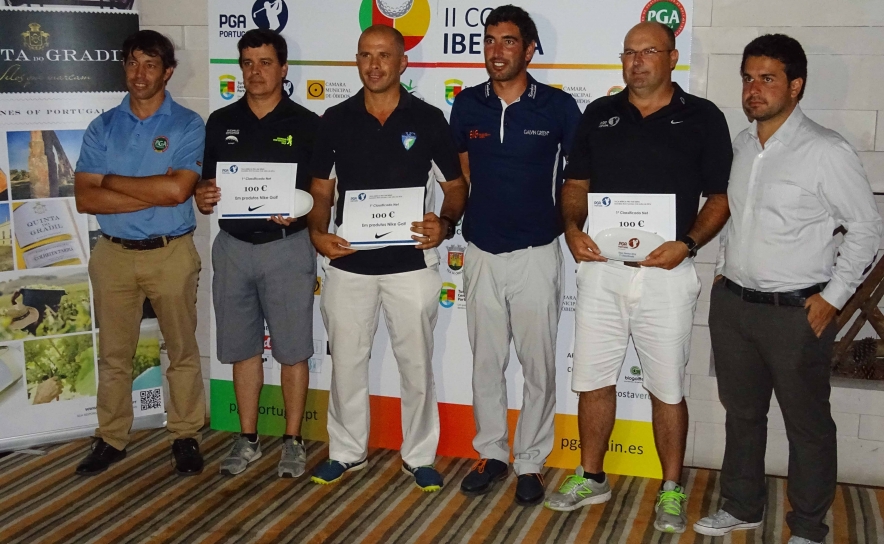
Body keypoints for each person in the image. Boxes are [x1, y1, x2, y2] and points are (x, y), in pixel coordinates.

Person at [695, 35, 883, 544]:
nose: (754, 89)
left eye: (768, 78)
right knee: (743, 416)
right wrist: (725, 270)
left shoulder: (825, 149)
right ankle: (742, 507)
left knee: (807, 426)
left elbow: (868, 228)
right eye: (748, 78)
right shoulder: (741, 143)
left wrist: (833, 298)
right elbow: (739, 215)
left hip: (797, 312)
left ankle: (807, 527)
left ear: (796, 86)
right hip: (734, 305)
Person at [548, 21, 733, 533]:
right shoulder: (599, 114)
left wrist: (688, 244)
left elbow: (720, 198)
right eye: (629, 52)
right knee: (592, 380)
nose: (637, 61)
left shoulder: (703, 117)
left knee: (667, 388)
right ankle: (591, 476)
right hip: (602, 273)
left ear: (672, 58)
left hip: (666, 276)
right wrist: (571, 226)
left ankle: (671, 489)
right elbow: (576, 183)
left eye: (649, 51)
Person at [307, 25, 467, 491]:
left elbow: (455, 187)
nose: (374, 64)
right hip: (348, 262)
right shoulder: (334, 119)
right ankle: (346, 452)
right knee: (347, 364)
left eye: (383, 55)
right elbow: (321, 189)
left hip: (411, 265)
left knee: (417, 364)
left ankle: (419, 456)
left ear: (402, 63)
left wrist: (446, 223)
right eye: (365, 55)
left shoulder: (430, 118)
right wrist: (318, 232)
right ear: (356, 62)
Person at [449, 5, 581, 506]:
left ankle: (529, 460)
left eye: (507, 42)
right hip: (480, 249)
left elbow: (576, 179)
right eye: (489, 40)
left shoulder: (559, 107)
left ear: (529, 50)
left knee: (537, 364)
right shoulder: (466, 106)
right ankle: (492, 453)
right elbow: (462, 175)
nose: (495, 50)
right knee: (486, 361)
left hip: (536, 251)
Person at [73, 30, 206, 476]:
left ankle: (185, 434)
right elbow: (86, 199)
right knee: (113, 355)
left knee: (182, 350)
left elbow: (178, 190)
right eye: (132, 63)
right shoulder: (102, 127)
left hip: (170, 253)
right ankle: (111, 437)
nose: (140, 73)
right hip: (112, 255)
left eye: (150, 64)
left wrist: (110, 180)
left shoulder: (187, 124)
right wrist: (156, 191)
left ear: (167, 72)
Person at [194, 29, 319, 478]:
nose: (255, 72)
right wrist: (203, 195)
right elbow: (207, 184)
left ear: (284, 69)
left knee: (292, 350)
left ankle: (292, 440)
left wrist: (299, 208)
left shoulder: (308, 123)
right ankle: (247, 440)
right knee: (243, 348)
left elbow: (321, 192)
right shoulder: (220, 120)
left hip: (287, 248)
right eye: (247, 63)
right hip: (233, 248)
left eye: (265, 62)